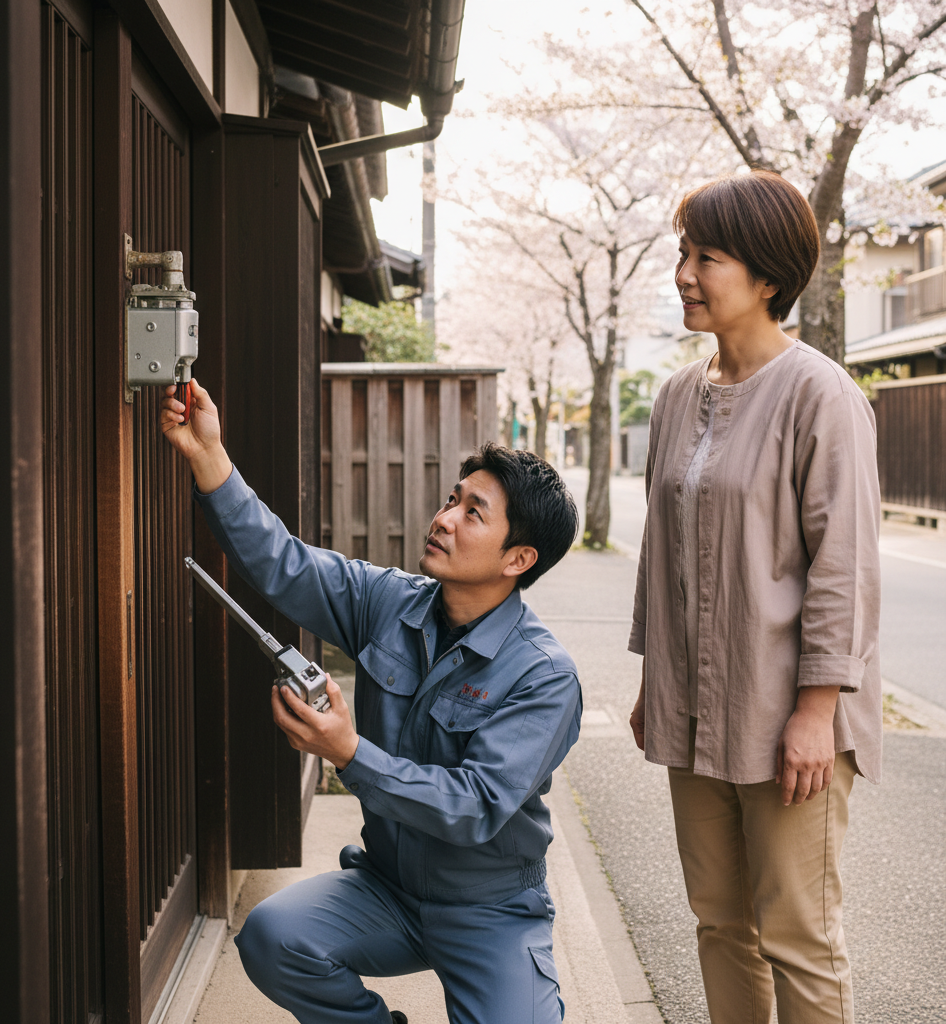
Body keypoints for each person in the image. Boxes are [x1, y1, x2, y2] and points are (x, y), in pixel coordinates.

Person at [160, 380, 581, 1024]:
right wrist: (208, 455)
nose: (442, 519)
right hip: (388, 889)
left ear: (518, 558)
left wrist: (348, 753)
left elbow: (474, 806)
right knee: (274, 937)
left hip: (489, 908)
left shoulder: (544, 676)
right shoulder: (389, 601)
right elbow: (285, 565)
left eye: (473, 514)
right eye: (452, 500)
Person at [627, 170, 881, 1024]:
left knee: (799, 936)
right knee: (719, 924)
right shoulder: (673, 398)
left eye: (709, 256)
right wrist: (652, 684)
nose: (686, 273)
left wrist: (817, 713)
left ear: (768, 278)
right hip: (694, 705)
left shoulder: (821, 395)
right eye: (683, 253)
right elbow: (663, 556)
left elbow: (842, 568)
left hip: (786, 720)